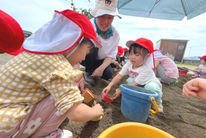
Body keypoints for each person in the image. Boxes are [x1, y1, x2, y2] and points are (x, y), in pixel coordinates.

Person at [0, 9, 104, 138]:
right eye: (87, 51)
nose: (84, 58)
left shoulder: (35, 53)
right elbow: (76, 114)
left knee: (62, 88)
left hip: (4, 111)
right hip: (8, 127)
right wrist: (95, 111)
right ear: (74, 42)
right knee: (64, 97)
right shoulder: (58, 66)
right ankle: (42, 135)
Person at [102, 38, 163, 112]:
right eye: (131, 54)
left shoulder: (146, 69)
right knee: (129, 80)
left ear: (147, 56)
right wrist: (109, 85)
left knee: (150, 87)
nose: (132, 57)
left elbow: (134, 84)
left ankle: (158, 103)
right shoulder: (129, 64)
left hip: (149, 82)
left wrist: (120, 91)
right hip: (138, 82)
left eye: (137, 55)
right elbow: (119, 76)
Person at [83, 0, 121, 84]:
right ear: (96, 14)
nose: (105, 22)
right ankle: (88, 71)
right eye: (102, 16)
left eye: (110, 17)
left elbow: (110, 55)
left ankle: (94, 71)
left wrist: (101, 69)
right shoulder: (89, 25)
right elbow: (80, 46)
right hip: (85, 57)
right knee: (92, 44)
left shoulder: (115, 34)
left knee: (108, 74)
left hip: (100, 60)